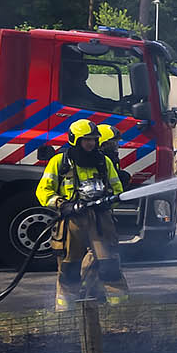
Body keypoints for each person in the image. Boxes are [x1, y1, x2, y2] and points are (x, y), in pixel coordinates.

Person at [35, 118, 128, 310]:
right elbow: (43, 191)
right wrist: (63, 205)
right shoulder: (59, 163)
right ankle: (65, 310)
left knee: (109, 264)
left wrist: (108, 200)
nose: (91, 143)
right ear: (75, 140)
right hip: (71, 221)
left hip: (100, 220)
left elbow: (117, 189)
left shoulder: (103, 162)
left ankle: (120, 309)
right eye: (86, 140)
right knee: (69, 267)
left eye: (93, 139)